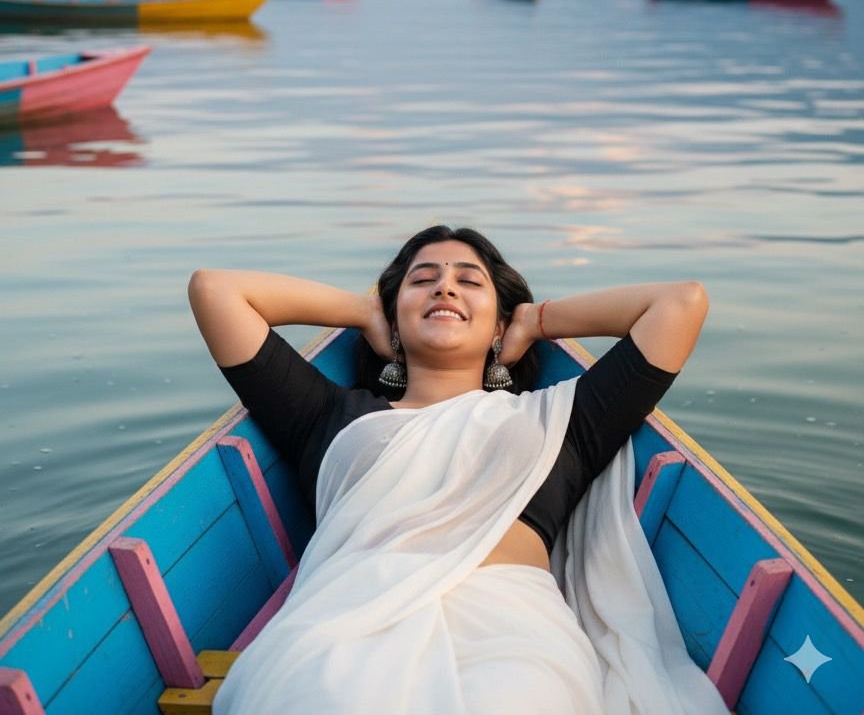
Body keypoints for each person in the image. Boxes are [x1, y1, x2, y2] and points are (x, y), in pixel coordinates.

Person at [189, 225, 726, 715]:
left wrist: (535, 321)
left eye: (469, 282)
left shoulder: (562, 420)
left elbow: (680, 304)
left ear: (499, 324)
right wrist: (364, 310)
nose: (445, 288)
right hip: (349, 613)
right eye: (422, 280)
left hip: (510, 628)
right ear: (393, 318)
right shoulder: (326, 415)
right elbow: (216, 292)